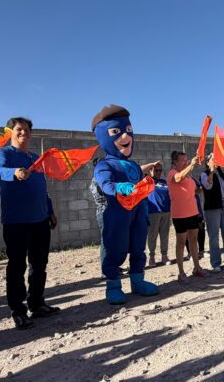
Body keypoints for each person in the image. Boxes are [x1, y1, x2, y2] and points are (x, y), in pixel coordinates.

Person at [0, 117, 60, 330]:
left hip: (40, 219)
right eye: (18, 130)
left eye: (26, 130)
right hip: (16, 222)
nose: (23, 133)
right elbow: (0, 171)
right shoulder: (4, 153)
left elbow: (42, 188)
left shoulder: (35, 158)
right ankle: (18, 311)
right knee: (16, 266)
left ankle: (37, 304)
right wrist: (14, 172)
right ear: (11, 132)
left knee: (39, 264)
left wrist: (49, 210)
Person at [92, 104, 159, 304]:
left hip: (138, 212)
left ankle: (138, 282)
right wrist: (119, 187)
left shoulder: (134, 165)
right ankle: (113, 285)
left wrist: (146, 191)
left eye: (128, 131)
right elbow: (105, 184)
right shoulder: (104, 164)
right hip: (116, 213)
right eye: (116, 132)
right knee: (115, 248)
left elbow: (140, 185)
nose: (125, 137)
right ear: (105, 135)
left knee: (138, 247)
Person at [167, 151, 208, 283]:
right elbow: (178, 178)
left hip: (192, 212)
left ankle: (197, 268)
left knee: (193, 240)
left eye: (186, 159)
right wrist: (190, 165)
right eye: (183, 160)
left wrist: (203, 188)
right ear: (175, 162)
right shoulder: (172, 173)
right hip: (179, 214)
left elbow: (194, 190)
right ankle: (181, 272)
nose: (185, 161)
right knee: (180, 243)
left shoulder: (189, 176)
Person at [200, 155, 224, 272]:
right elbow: (207, 186)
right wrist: (211, 173)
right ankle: (216, 263)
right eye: (213, 159)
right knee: (214, 237)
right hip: (213, 208)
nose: (216, 161)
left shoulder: (221, 174)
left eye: (216, 159)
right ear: (208, 162)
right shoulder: (204, 174)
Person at [145, 162, 171, 267]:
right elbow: (139, 170)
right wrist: (151, 164)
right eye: (156, 170)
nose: (159, 172)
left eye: (160, 170)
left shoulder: (164, 182)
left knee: (164, 235)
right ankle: (151, 258)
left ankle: (164, 256)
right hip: (153, 212)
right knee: (152, 236)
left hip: (166, 212)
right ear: (150, 171)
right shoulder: (147, 181)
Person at [89, 157, 108, 277]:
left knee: (112, 242)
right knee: (106, 241)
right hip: (104, 212)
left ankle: (113, 266)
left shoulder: (103, 179)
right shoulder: (96, 180)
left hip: (109, 212)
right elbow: (103, 199)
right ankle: (105, 271)